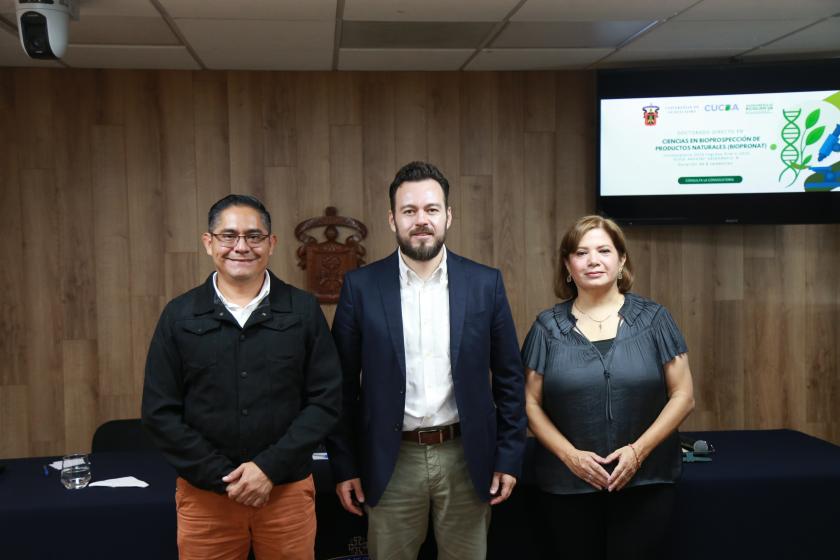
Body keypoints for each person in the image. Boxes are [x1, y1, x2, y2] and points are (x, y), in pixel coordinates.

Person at [325, 161, 526, 559]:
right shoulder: (361, 287)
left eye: (431, 209)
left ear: (448, 216)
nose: (421, 220)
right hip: (390, 458)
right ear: (392, 219)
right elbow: (341, 386)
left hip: (465, 457)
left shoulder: (485, 284)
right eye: (409, 211)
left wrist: (508, 455)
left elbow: (509, 379)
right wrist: (344, 465)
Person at [141, 194, 342, 560]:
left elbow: (326, 401)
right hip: (206, 499)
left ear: (271, 243)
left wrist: (267, 469)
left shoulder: (303, 310)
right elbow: (159, 413)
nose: (241, 247)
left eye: (254, 236)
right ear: (208, 243)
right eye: (228, 235)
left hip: (286, 493)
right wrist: (226, 478)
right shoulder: (179, 316)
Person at [522, 215, 695, 560]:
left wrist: (638, 452)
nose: (593, 260)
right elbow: (529, 403)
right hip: (568, 486)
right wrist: (570, 457)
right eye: (581, 253)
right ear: (568, 265)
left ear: (621, 260)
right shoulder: (546, 327)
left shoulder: (655, 319)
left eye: (603, 250)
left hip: (646, 481)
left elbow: (684, 396)